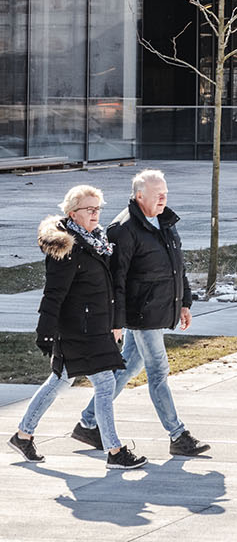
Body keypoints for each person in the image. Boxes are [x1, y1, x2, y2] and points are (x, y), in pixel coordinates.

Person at [74, 169, 209, 459]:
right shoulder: (123, 229)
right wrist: (117, 321)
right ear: (139, 196)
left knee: (129, 367)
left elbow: (177, 267)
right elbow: (117, 280)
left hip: (160, 309)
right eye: (157, 194)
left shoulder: (166, 222)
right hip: (141, 314)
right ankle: (178, 435)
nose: (163, 198)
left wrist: (185, 302)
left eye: (165, 193)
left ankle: (87, 422)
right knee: (158, 371)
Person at [9, 185, 145, 469]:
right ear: (73, 213)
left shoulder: (96, 241)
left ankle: (23, 434)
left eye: (98, 209)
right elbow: (54, 293)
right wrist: (45, 331)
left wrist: (114, 323)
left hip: (94, 327)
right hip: (78, 330)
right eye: (89, 209)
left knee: (59, 381)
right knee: (105, 385)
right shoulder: (67, 248)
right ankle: (115, 451)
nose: (96, 214)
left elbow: (106, 289)